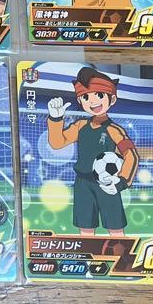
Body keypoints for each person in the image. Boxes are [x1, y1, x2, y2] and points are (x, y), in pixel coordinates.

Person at [46, 67, 137, 236]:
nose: (93, 102)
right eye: (86, 97)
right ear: (80, 101)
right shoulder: (80, 126)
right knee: (86, 229)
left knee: (115, 228)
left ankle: (122, 252)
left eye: (100, 95)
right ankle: (88, 253)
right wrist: (56, 119)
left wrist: (121, 182)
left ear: (112, 99)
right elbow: (57, 143)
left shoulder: (114, 130)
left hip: (107, 182)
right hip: (83, 184)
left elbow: (131, 155)